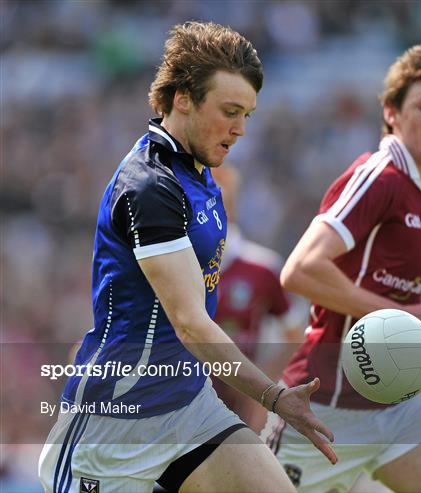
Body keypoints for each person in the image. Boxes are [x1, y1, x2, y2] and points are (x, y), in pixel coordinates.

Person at [38, 21, 336, 493]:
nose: (239, 129)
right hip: (117, 424)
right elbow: (190, 323)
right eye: (230, 111)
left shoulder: (200, 172)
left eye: (247, 115)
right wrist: (275, 397)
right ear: (182, 98)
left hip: (189, 407)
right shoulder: (150, 186)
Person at [262, 45, 421, 493]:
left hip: (398, 402)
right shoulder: (379, 176)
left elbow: (384, 305)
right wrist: (411, 319)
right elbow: (301, 270)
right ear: (391, 113)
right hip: (325, 404)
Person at [211, 165, 306, 431]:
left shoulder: (262, 268)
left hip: (237, 412)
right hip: (180, 403)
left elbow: (296, 337)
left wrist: (263, 388)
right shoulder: (174, 265)